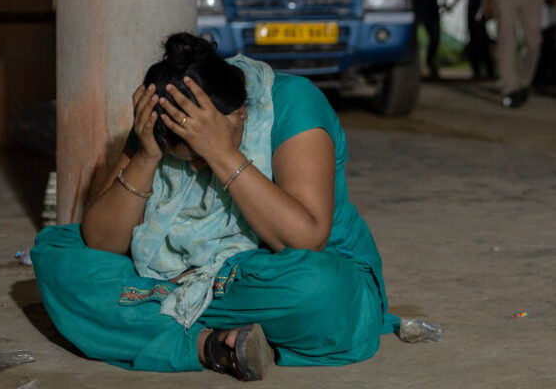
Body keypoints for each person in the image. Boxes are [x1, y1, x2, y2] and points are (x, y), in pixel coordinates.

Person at [30, 33, 399, 380]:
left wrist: (221, 151)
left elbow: (306, 237)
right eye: (184, 158)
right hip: (204, 281)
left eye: (198, 156)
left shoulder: (292, 103)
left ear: (238, 114)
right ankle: (211, 346)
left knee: (320, 289)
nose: (195, 167)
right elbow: (102, 240)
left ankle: (153, 319)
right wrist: (145, 156)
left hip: (280, 270)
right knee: (57, 256)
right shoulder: (166, 118)